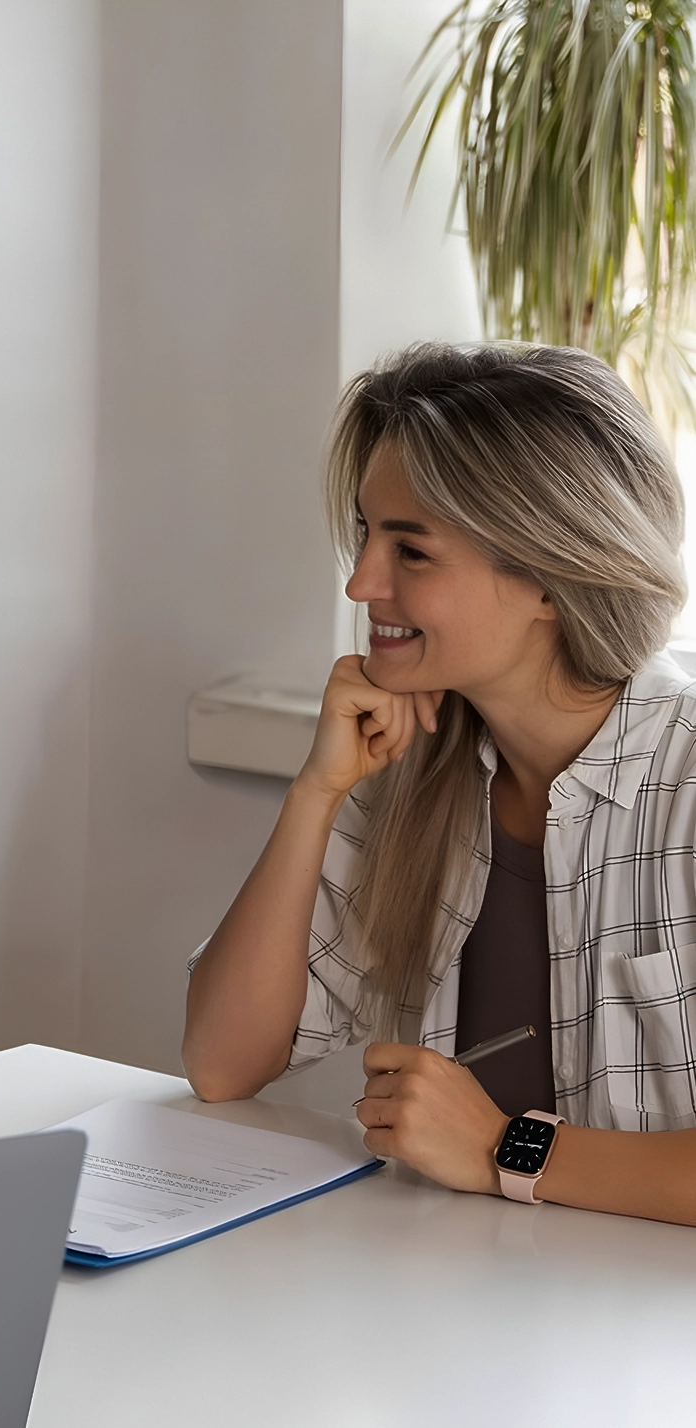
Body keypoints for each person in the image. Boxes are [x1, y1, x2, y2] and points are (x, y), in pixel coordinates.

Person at [184, 341, 696, 1225]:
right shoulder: (415, 771)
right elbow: (222, 1064)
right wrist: (316, 793)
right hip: (458, 1292)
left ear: (551, 576)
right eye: (366, 534)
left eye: (411, 551)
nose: (361, 582)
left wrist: (504, 1149)